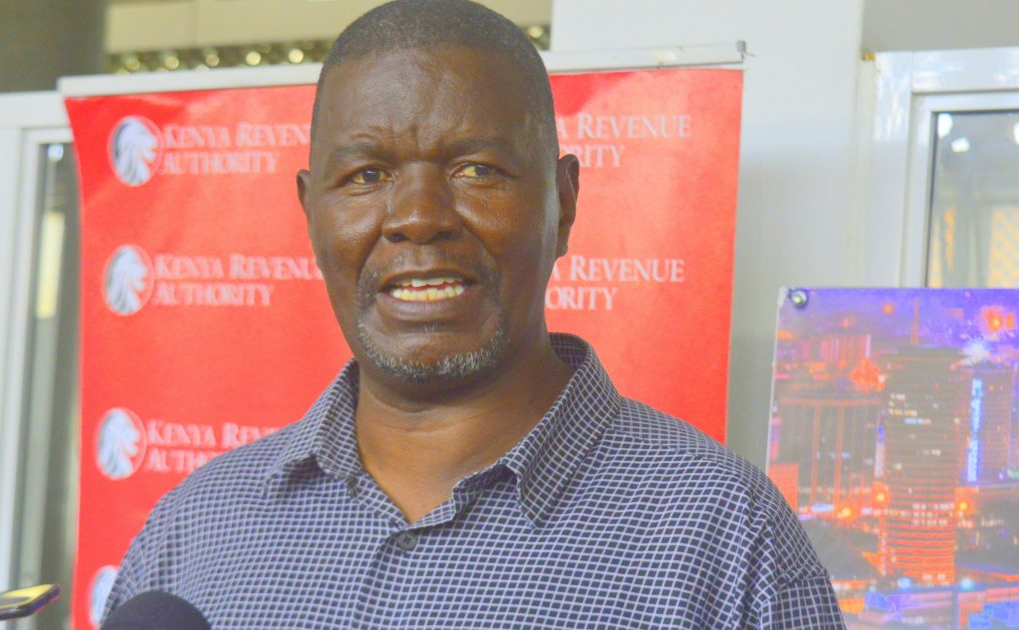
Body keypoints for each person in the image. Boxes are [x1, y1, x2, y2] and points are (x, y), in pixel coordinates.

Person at [103, 1, 845, 627]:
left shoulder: (725, 537)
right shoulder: (194, 532)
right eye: (367, 175)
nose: (418, 218)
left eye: (476, 170)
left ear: (564, 204)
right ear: (310, 214)